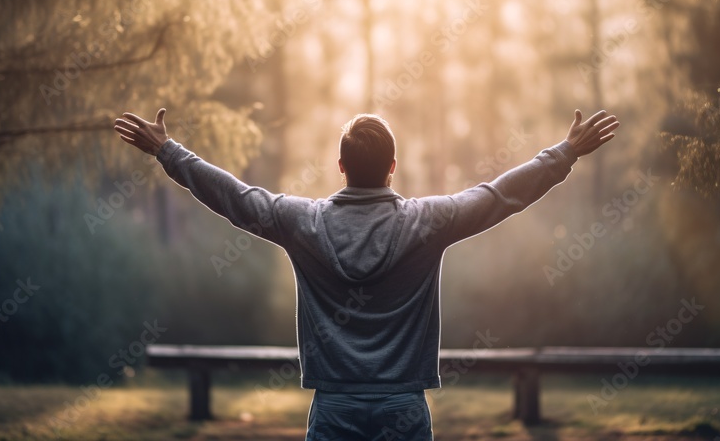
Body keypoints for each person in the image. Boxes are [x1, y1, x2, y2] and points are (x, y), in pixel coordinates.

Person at [114, 108, 619, 440]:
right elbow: (498, 197)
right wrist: (564, 153)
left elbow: (235, 198)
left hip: (334, 411)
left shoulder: (302, 222)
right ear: (392, 166)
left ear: (340, 165)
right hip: (404, 409)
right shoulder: (428, 221)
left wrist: (169, 151)